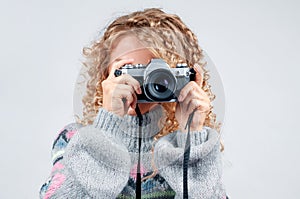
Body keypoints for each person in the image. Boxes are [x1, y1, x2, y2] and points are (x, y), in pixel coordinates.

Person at [40, 8, 227, 199]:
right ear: (106, 76)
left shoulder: (187, 146)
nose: (137, 83)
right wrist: (106, 130)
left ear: (175, 78)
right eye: (128, 69)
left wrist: (191, 138)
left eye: (155, 72)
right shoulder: (74, 139)